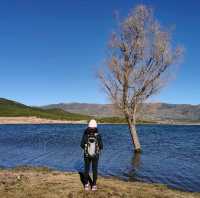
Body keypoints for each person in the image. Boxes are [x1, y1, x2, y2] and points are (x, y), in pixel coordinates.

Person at [80, 119, 103, 191]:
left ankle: (86, 185)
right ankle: (94, 185)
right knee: (94, 169)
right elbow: (101, 146)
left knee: (86, 169)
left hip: (86, 155)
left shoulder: (85, 134)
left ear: (88, 126)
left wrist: (86, 148)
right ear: (96, 126)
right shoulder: (98, 135)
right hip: (96, 155)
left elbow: (81, 145)